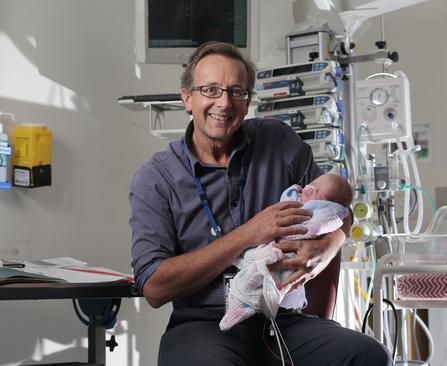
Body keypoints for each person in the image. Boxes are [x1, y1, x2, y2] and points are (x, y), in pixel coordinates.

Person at [129, 41, 391, 366]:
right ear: (187, 98)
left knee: (368, 355)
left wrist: (330, 245)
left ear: (248, 100)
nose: (224, 103)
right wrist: (250, 233)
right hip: (205, 324)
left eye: (236, 91)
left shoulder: (279, 143)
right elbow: (153, 287)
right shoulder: (156, 178)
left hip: (285, 321)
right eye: (210, 90)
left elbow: (338, 212)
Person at [219, 174, 353, 331]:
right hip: (203, 315)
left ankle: (243, 305)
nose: (308, 189)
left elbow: (343, 212)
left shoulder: (293, 157)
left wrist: (329, 245)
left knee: (265, 273)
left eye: (317, 192)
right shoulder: (298, 196)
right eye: (310, 185)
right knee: (256, 260)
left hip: (287, 272)